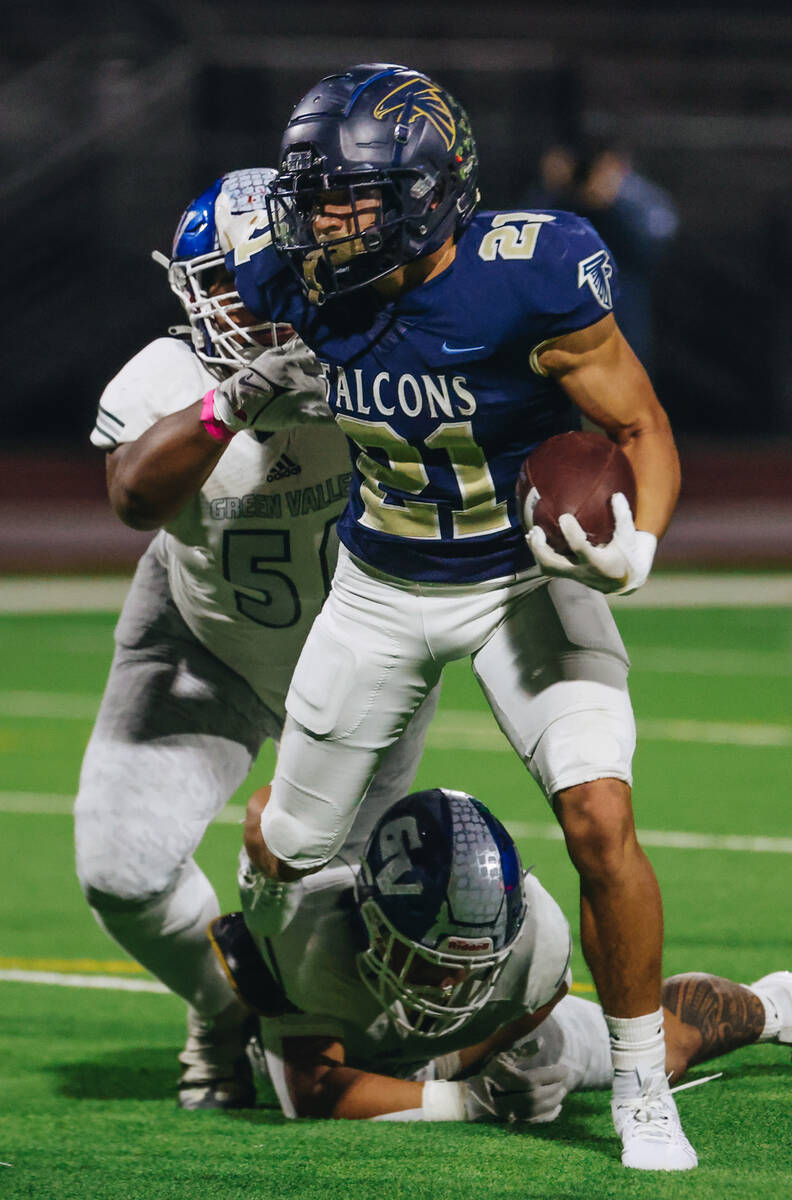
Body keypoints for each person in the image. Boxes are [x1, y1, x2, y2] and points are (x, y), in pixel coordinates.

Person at [224, 63, 692, 1169]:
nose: (320, 223)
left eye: (348, 198)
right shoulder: (297, 277)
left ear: (429, 195)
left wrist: (641, 543)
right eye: (314, 195)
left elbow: (646, 429)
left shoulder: (532, 279)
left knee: (599, 820)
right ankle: (257, 1005)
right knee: (288, 846)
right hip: (379, 587)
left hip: (523, 582)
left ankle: (638, 1089)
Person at [73, 167, 439, 1110]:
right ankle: (220, 1002)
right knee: (119, 869)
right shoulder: (170, 373)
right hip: (202, 637)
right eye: (233, 286)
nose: (257, 307)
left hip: (364, 655)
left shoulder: (379, 350)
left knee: (345, 991)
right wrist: (233, 400)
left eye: (274, 278)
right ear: (194, 290)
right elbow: (132, 498)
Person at [212, 787, 792, 1127]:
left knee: (668, 1043)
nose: (447, 984)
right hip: (337, 1034)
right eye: (431, 961)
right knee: (219, 983)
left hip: (471, 1034)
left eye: (469, 967)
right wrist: (463, 1100)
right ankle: (210, 1046)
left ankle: (775, 1003)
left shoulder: (537, 942)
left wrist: (470, 1061)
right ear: (373, 921)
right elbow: (309, 1090)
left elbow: (534, 1001)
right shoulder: (307, 932)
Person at [525, 137, 678, 372]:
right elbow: (526, 248)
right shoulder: (560, 198)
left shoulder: (636, 197)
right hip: (563, 330)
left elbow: (654, 247)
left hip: (624, 328)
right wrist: (553, 190)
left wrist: (615, 203)